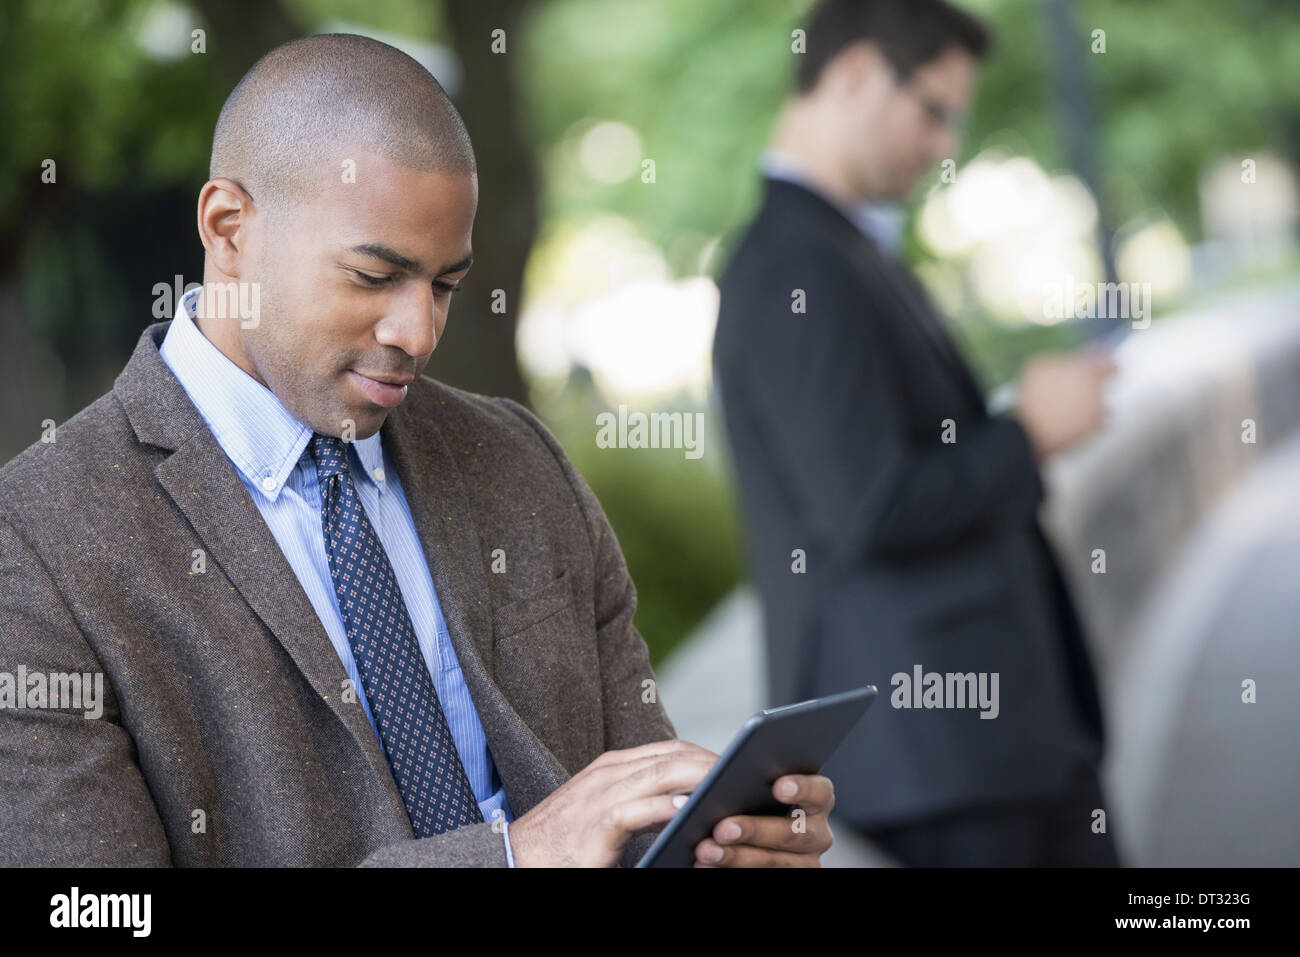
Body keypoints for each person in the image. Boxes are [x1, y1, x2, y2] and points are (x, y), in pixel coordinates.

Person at [0, 33, 835, 868]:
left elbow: (635, 806)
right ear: (229, 227)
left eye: (445, 285)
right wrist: (509, 856)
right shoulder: (36, 544)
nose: (417, 332)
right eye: (373, 276)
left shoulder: (518, 459)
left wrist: (721, 838)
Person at [712, 0, 1119, 866]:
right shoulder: (794, 262)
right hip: (944, 762)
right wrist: (1032, 432)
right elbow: (867, 506)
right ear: (857, 71)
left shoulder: (836, 248)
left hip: (975, 755)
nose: (944, 144)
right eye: (933, 110)